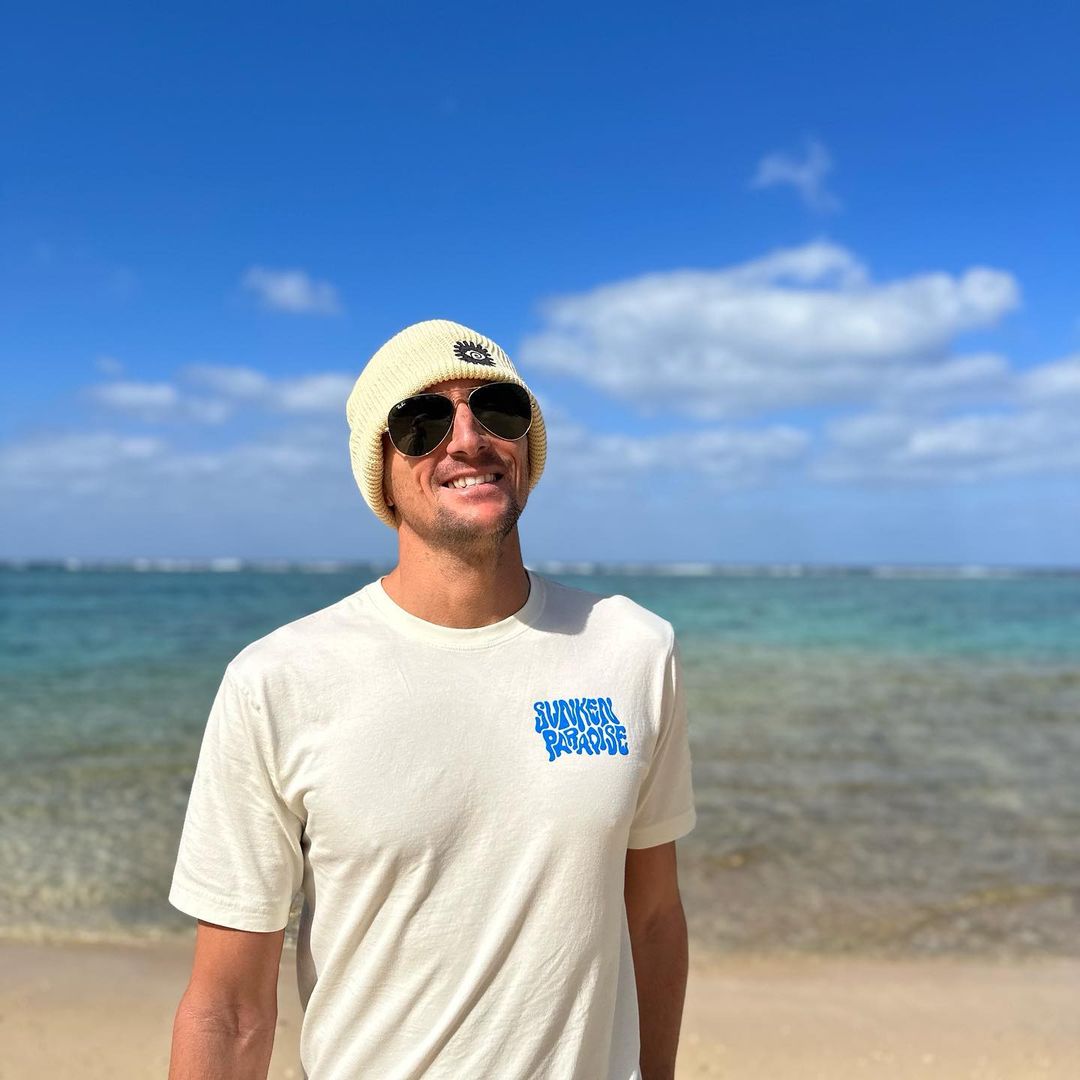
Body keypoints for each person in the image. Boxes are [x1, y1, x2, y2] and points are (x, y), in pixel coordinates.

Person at [167, 319, 697, 1080]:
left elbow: (652, 919)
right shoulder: (277, 680)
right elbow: (228, 1008)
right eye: (422, 422)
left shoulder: (634, 648)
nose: (468, 439)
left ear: (528, 447)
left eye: (498, 410)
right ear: (380, 471)